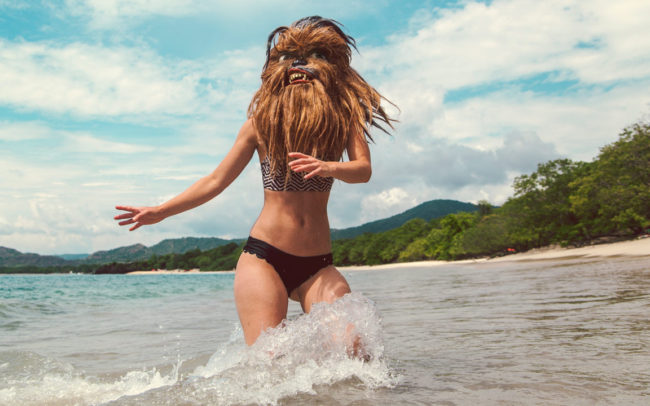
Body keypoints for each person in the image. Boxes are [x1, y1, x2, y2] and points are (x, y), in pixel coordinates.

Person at [114, 16, 394, 347]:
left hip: (318, 265)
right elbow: (216, 180)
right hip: (265, 258)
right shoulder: (259, 125)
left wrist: (330, 167)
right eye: (292, 60)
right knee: (269, 361)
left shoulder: (342, 122)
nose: (300, 67)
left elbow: (363, 170)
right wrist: (161, 211)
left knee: (354, 349)